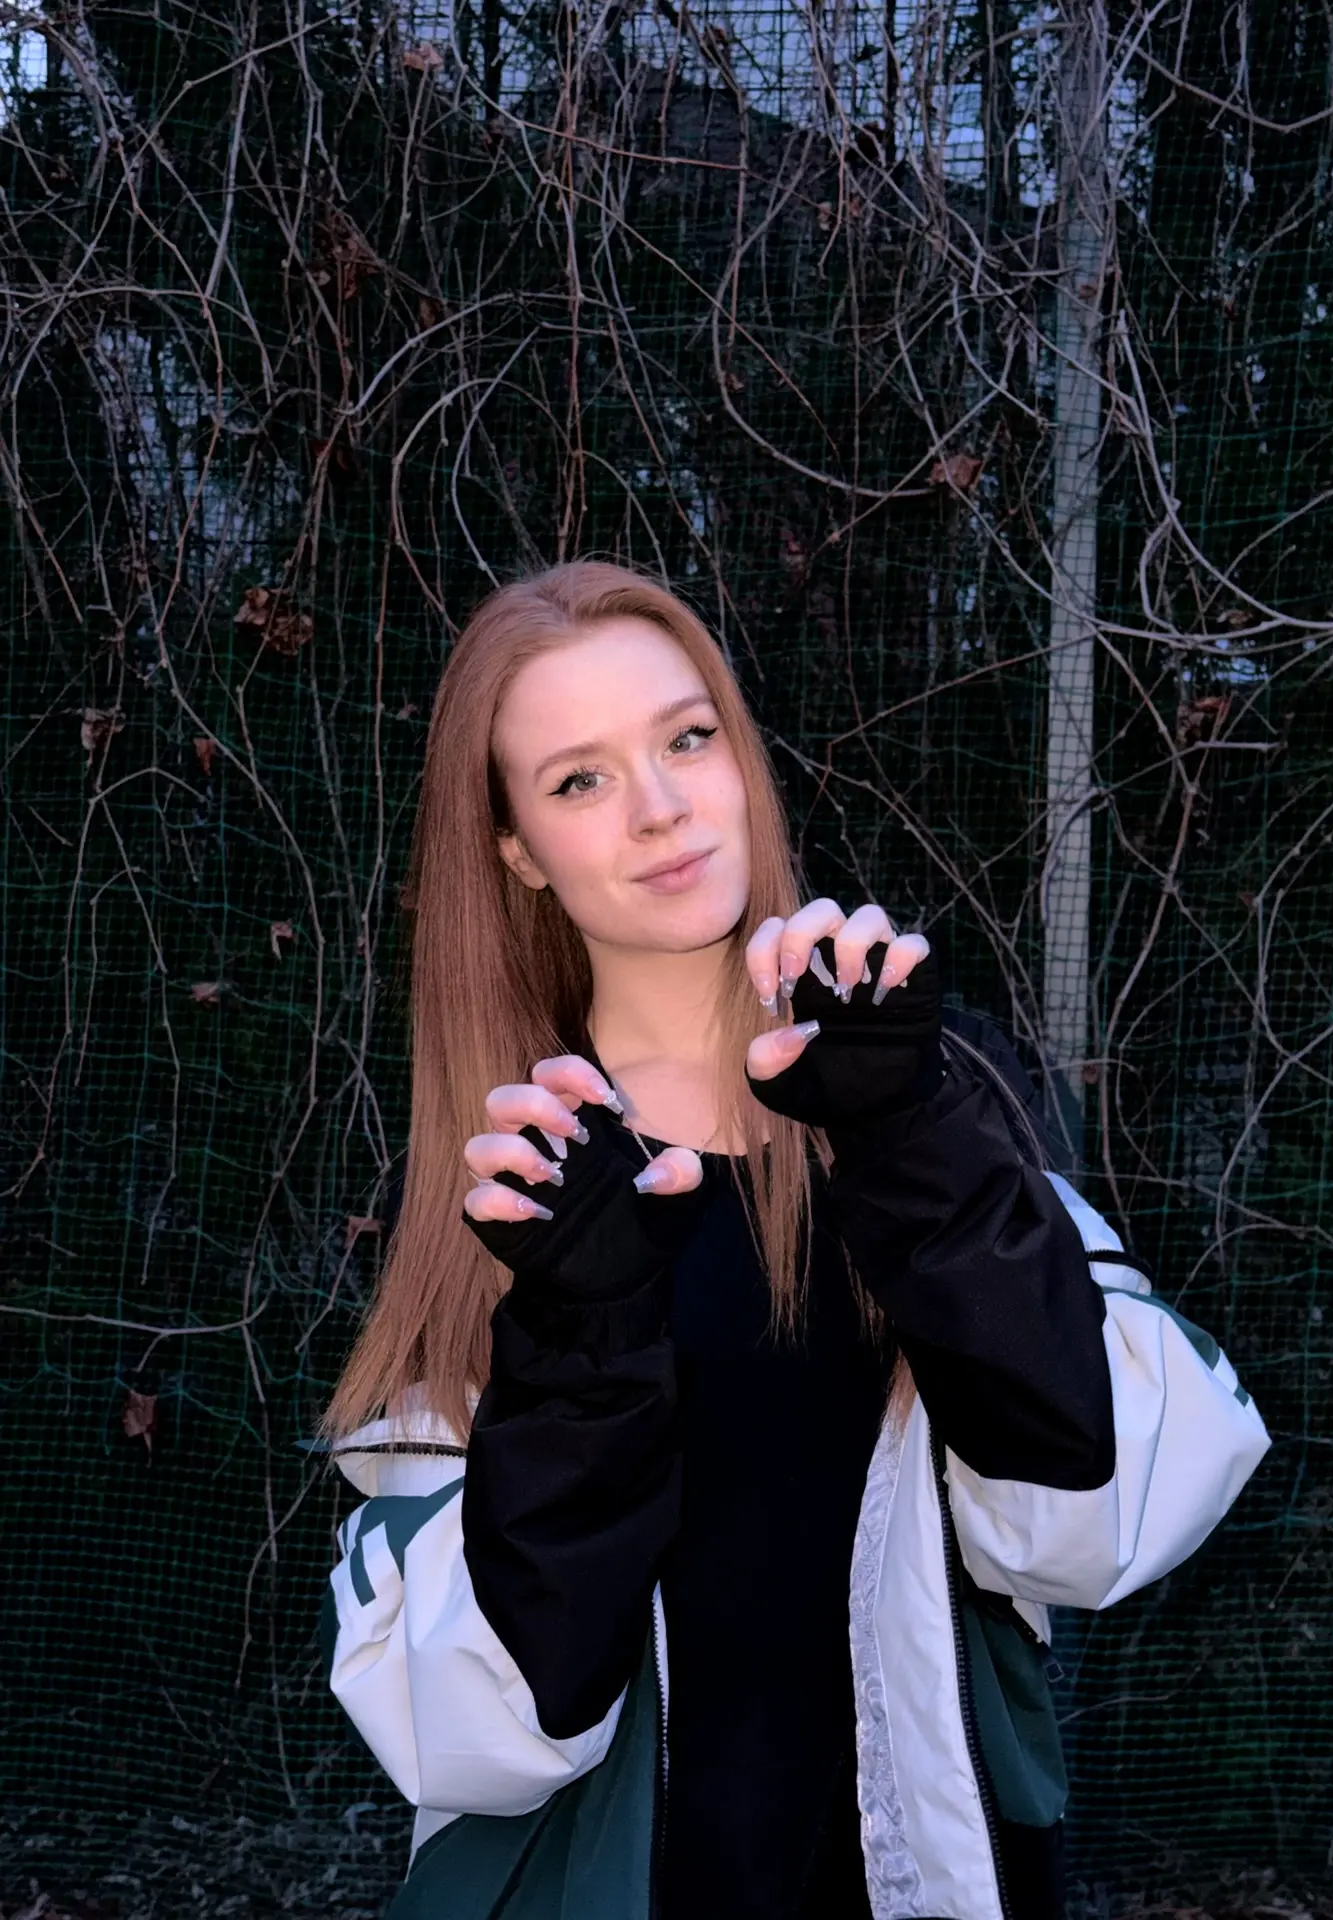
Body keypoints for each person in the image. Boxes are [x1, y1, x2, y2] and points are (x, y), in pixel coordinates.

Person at [320, 561, 1271, 1920]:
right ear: (516, 848)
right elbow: (487, 1729)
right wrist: (577, 1336)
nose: (660, 807)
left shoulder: (930, 1088)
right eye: (580, 779)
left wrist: (913, 1142)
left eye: (686, 737)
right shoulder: (517, 1175)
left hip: (919, 1877)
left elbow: (1100, 1521)